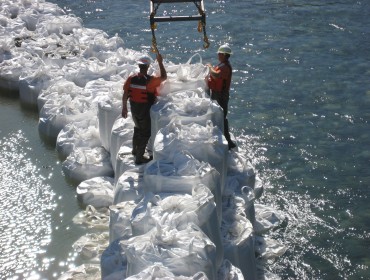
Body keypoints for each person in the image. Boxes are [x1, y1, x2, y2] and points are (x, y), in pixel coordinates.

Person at [122, 53, 167, 164]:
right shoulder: (150, 81)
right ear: (147, 67)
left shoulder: (131, 79)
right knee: (146, 132)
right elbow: (164, 77)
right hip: (144, 109)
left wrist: (124, 108)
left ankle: (134, 150)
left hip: (133, 108)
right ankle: (139, 157)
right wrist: (160, 62)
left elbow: (125, 94)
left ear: (139, 66)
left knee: (137, 128)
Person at [206, 44, 236, 149]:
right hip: (217, 93)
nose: (218, 55)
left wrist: (209, 67)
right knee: (216, 115)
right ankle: (219, 137)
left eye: (219, 53)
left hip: (221, 95)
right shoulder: (222, 65)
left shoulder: (225, 68)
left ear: (223, 55)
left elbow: (216, 75)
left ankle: (227, 141)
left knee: (222, 117)